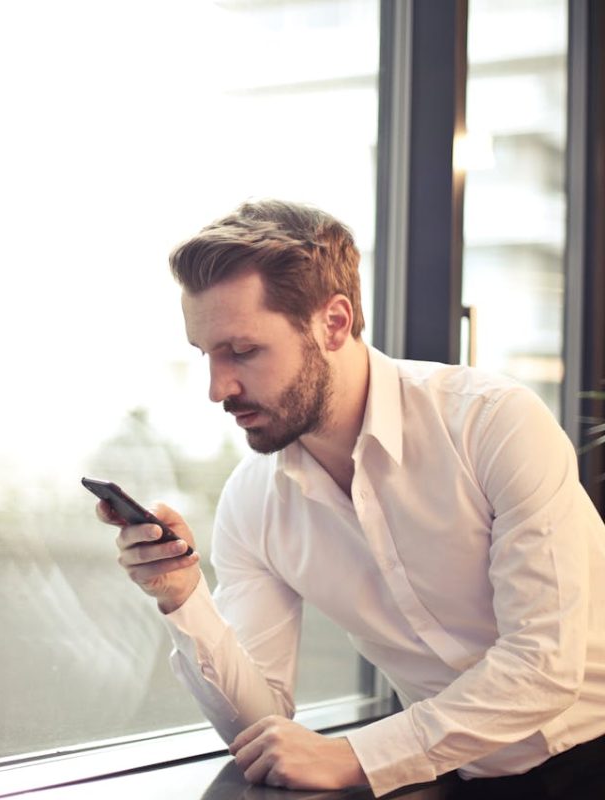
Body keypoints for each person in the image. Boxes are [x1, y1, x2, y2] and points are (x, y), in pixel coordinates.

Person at [94, 199, 605, 798]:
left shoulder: (492, 423)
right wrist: (183, 597)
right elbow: (261, 727)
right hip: (455, 778)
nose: (217, 387)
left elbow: (544, 665)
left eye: (244, 351)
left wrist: (360, 755)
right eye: (206, 354)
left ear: (334, 323)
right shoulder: (252, 503)